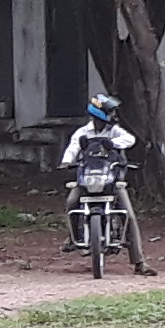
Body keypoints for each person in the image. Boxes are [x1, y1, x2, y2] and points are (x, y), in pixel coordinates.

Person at [58, 92, 142, 253]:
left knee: (129, 216)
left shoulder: (114, 131)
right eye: (110, 112)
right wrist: (66, 162)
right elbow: (73, 147)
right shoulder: (83, 132)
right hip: (87, 178)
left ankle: (139, 261)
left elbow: (130, 140)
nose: (113, 115)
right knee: (71, 202)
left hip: (111, 179)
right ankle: (73, 236)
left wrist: (113, 143)